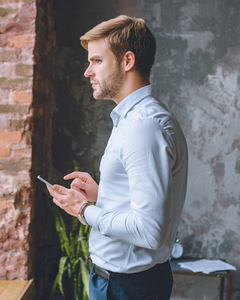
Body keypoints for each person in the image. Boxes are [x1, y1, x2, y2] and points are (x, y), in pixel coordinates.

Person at [46, 15, 188, 299]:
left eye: (97, 61)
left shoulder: (142, 127)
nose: (88, 72)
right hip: (125, 283)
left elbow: (150, 231)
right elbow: (145, 206)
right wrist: (105, 194)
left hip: (126, 287)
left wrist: (84, 211)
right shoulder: (137, 118)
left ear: (127, 61)